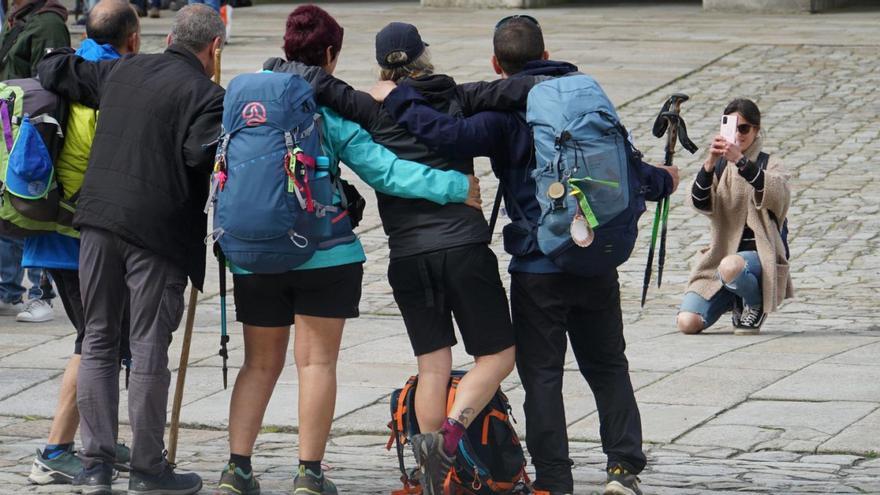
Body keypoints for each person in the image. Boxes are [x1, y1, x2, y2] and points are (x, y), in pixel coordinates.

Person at [371, 16, 680, 495]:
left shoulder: (500, 117)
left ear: (498, 64)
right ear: (546, 51)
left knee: (542, 377)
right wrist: (665, 179)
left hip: (538, 266)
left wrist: (399, 95)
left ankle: (555, 480)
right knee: (608, 366)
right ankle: (622, 467)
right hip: (594, 255)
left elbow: (443, 135)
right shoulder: (582, 98)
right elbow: (625, 166)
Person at [213, 6, 482, 495]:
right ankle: (308, 475)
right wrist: (453, 186)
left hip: (254, 253)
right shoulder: (326, 110)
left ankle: (237, 468)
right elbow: (384, 171)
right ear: (331, 55)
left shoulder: (249, 99)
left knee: (258, 364)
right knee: (315, 364)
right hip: (325, 255)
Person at [277, 20, 517, 495]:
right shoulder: (453, 96)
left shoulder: (369, 111)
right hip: (463, 248)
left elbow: (336, 98)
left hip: (408, 256)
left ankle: (437, 478)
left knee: (434, 366)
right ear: (424, 56)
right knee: (499, 355)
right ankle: (449, 438)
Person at [36, 5, 225, 495]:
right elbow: (197, 157)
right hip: (157, 234)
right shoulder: (206, 94)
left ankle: (96, 466)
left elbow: (57, 68)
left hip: (97, 222)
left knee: (98, 338)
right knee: (146, 346)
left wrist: (60, 49)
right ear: (214, 48)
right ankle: (146, 468)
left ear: (166, 37)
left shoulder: (123, 67)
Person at [25, 0, 140, 485]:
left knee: (101, 337)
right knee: (97, 340)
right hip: (81, 236)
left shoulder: (63, 69)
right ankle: (55, 450)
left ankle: (98, 438)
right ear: (132, 39)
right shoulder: (112, 83)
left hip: (52, 230)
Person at [677, 98, 793, 336]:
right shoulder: (719, 166)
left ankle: (754, 302)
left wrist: (741, 161)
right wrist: (709, 163)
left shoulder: (770, 163)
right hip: (720, 257)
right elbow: (699, 202)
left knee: (731, 265)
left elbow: (778, 194)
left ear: (756, 130)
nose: (739, 134)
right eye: (732, 127)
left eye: (744, 128)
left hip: (760, 255)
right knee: (688, 323)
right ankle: (733, 295)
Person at [0, 0, 69, 323]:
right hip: (10, 126)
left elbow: (51, 81)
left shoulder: (48, 24)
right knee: (10, 209)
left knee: (33, 206)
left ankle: (41, 293)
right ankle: (8, 288)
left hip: (31, 128)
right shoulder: (21, 19)